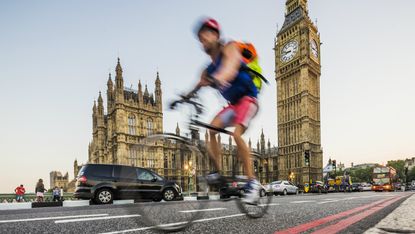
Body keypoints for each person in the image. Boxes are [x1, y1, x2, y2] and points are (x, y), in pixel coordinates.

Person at [179, 18, 262, 204]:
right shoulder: (207, 69)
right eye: (200, 39)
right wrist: (184, 98)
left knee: (236, 135)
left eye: (206, 35)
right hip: (233, 105)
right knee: (211, 129)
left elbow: (230, 68)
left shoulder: (230, 47)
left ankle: (253, 183)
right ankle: (217, 173)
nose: (204, 40)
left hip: (248, 100)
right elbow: (198, 84)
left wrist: (219, 78)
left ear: (216, 35)